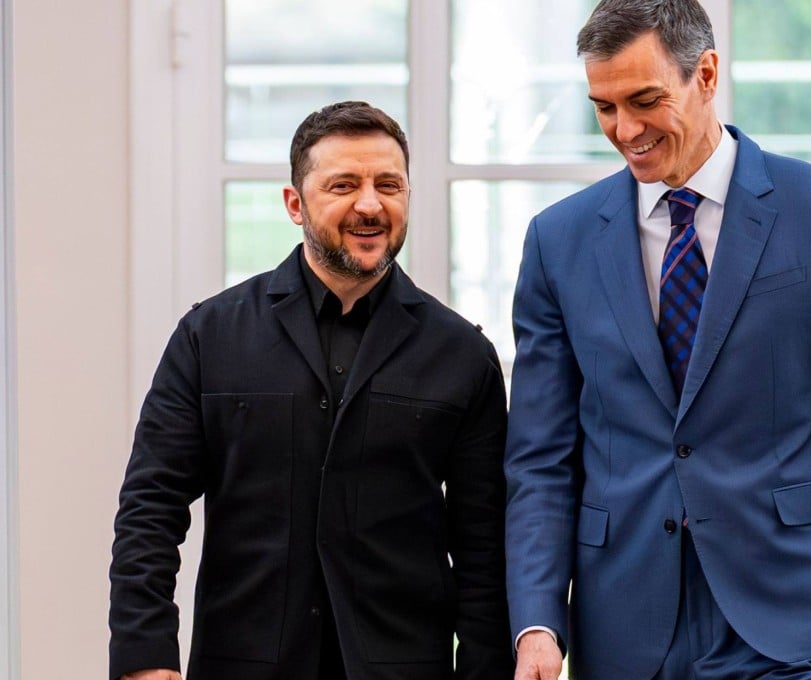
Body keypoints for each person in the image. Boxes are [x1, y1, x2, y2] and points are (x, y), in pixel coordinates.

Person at [504, 1, 811, 678]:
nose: (625, 130)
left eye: (644, 100)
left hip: (790, 615)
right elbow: (540, 458)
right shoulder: (557, 242)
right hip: (625, 624)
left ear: (705, 74)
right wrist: (537, 622)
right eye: (604, 107)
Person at [110, 101, 515, 680]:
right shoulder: (209, 336)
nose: (370, 204)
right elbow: (151, 508)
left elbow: (484, 547)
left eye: (389, 184)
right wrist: (144, 658)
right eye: (344, 185)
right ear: (295, 204)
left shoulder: (464, 356)